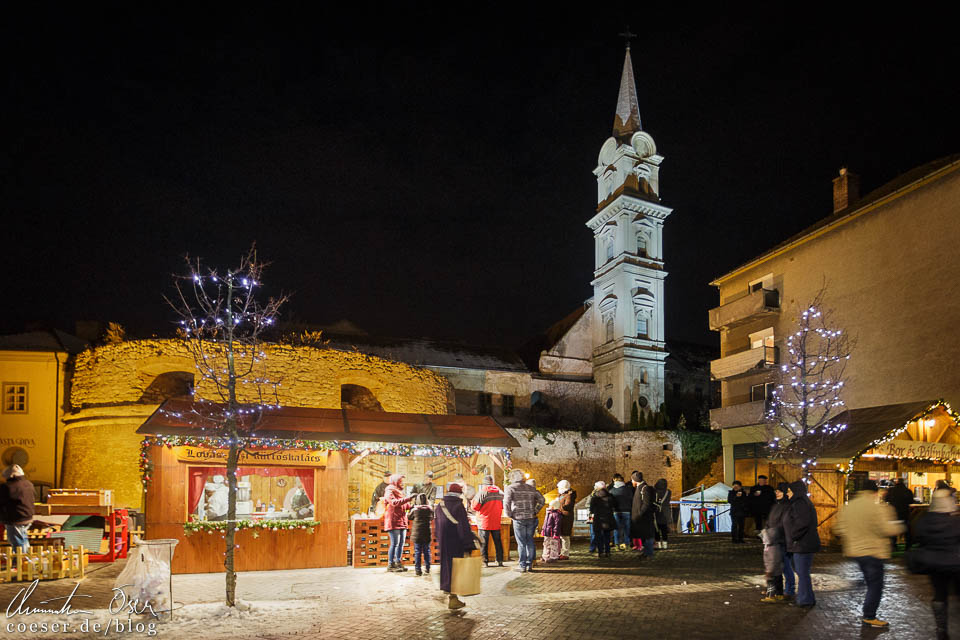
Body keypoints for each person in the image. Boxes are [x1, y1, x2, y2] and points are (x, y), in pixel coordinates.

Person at [834, 479, 905, 628]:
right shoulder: (878, 508)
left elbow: (838, 529)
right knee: (875, 585)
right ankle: (869, 616)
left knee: (868, 577)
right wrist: (900, 526)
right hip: (873, 551)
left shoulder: (848, 507)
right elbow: (887, 529)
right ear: (874, 492)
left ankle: (860, 586)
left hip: (855, 551)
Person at [914, 488, 960, 640]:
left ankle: (941, 629)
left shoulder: (924, 520)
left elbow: (918, 536)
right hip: (955, 564)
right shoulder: (955, 521)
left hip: (934, 564)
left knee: (939, 595)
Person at [435, 483, 476, 610]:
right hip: (456, 541)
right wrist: (468, 544)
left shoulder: (440, 505)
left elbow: (436, 524)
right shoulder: (459, 506)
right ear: (459, 494)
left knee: (447, 567)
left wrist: (439, 538)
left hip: (444, 541)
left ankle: (451, 594)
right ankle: (453, 598)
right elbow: (463, 527)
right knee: (456, 568)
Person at [784, 480, 821, 608]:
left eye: (789, 491)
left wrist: (793, 536)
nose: (787, 493)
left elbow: (802, 523)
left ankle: (805, 599)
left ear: (795, 491)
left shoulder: (800, 503)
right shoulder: (800, 502)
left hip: (803, 544)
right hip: (802, 543)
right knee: (802, 571)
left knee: (802, 571)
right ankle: (806, 598)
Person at [503, 469, 545, 573]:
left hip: (518, 518)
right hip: (530, 517)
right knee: (529, 540)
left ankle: (522, 565)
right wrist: (535, 510)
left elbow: (506, 503)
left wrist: (509, 514)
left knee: (521, 543)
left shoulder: (511, 488)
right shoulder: (530, 488)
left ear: (513, 478)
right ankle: (530, 564)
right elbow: (542, 500)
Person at [759, 482, 790, 603]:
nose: (776, 493)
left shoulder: (786, 506)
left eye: (779, 491)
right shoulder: (775, 505)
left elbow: (783, 523)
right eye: (776, 491)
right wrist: (766, 530)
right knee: (775, 567)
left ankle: (775, 592)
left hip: (779, 540)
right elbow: (770, 520)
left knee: (775, 567)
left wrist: (773, 532)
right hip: (771, 538)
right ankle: (777, 591)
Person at [382, 474, 415, 572]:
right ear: (396, 481)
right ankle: (391, 564)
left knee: (401, 544)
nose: (403, 483)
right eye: (401, 482)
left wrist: (415, 504)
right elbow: (394, 503)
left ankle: (398, 562)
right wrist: (409, 498)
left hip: (402, 520)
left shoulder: (400, 492)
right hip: (393, 520)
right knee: (395, 544)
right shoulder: (389, 490)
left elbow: (406, 505)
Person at [471, 475, 505, 567]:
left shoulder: (482, 492)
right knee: (498, 542)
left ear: (484, 483)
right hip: (496, 521)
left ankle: (485, 562)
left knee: (484, 543)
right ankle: (499, 561)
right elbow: (503, 505)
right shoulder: (500, 492)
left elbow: (474, 507)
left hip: (484, 522)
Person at [0, 465, 34, 552]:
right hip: (27, 516)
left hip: (15, 518)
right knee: (23, 539)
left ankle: (21, 562)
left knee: (17, 542)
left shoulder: (8, 487)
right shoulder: (29, 484)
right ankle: (27, 561)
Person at [884, 478, 916, 551]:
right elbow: (911, 501)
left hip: (894, 512)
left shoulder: (892, 490)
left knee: (893, 530)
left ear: (896, 482)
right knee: (906, 530)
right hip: (904, 512)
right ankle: (908, 546)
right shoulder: (907, 491)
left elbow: (886, 499)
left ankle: (894, 546)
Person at [630, 471, 656, 558]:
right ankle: (646, 552)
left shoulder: (644, 488)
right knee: (643, 535)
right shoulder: (639, 488)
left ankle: (649, 553)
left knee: (647, 535)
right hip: (640, 518)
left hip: (644, 518)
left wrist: (640, 513)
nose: (631, 482)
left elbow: (646, 503)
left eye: (632, 480)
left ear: (635, 480)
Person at [408, 492, 434, 576]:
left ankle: (418, 570)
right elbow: (432, 517)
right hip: (426, 532)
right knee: (427, 551)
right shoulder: (430, 509)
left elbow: (409, 517)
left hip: (417, 534)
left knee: (417, 551)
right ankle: (427, 568)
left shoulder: (415, 510)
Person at [589, 481, 616, 559]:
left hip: (598, 519)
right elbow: (614, 505)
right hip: (608, 519)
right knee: (607, 536)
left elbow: (592, 509)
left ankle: (601, 552)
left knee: (598, 536)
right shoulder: (610, 496)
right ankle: (608, 551)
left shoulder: (595, 497)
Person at [609, 473, 634, 551]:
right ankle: (626, 544)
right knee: (627, 529)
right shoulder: (628, 489)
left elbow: (610, 502)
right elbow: (631, 500)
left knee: (617, 529)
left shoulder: (612, 490)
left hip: (616, 511)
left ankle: (617, 544)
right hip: (627, 511)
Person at [557, 479, 577, 560]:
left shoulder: (569, 495)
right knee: (562, 535)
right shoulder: (563, 494)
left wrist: (559, 505)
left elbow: (568, 506)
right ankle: (561, 552)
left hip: (566, 517)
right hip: (561, 516)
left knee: (565, 535)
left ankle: (565, 553)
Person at [653, 478, 672, 550]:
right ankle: (665, 544)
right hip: (665, 513)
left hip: (657, 512)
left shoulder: (655, 492)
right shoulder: (668, 492)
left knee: (656, 529)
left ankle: (658, 544)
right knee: (664, 529)